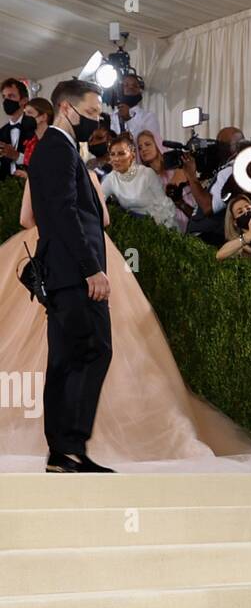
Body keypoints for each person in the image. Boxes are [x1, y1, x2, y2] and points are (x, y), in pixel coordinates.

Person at [3, 184, 251, 472]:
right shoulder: (87, 175)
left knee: (45, 342)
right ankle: (78, 436)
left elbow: (26, 220)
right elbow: (103, 218)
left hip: (49, 250)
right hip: (90, 250)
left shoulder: (37, 174)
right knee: (106, 339)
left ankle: (54, 434)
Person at [25, 78, 114, 473]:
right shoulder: (58, 150)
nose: (94, 121)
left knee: (69, 357)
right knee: (91, 350)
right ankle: (67, 448)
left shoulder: (58, 151)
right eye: (91, 113)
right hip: (73, 273)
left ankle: (64, 452)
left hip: (63, 273)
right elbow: (64, 214)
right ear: (67, 108)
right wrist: (91, 268)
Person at [100, 135, 179, 228]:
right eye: (112, 154)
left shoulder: (147, 174)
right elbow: (97, 200)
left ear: (132, 155)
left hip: (159, 226)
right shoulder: (111, 178)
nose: (116, 159)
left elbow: (165, 205)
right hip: (133, 229)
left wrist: (157, 227)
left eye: (121, 153)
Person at [136, 129, 196, 231]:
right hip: (165, 229)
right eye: (140, 147)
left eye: (147, 144)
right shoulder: (143, 178)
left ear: (158, 145)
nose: (143, 149)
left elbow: (167, 195)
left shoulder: (177, 168)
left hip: (189, 222)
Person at [109, 72, 163, 150]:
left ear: (139, 91)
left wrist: (129, 119)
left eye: (135, 85)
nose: (131, 87)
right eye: (126, 85)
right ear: (120, 89)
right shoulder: (111, 117)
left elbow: (151, 143)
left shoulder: (149, 117)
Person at [0, 77, 34, 180]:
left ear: (24, 101)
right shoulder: (1, 132)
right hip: (5, 190)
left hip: (31, 186)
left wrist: (17, 156)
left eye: (11, 96)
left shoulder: (35, 127)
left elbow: (44, 161)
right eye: (4, 97)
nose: (6, 101)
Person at [20, 96, 54, 168]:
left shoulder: (54, 141)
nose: (26, 117)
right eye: (25, 113)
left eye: (29, 113)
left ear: (44, 117)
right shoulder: (32, 142)